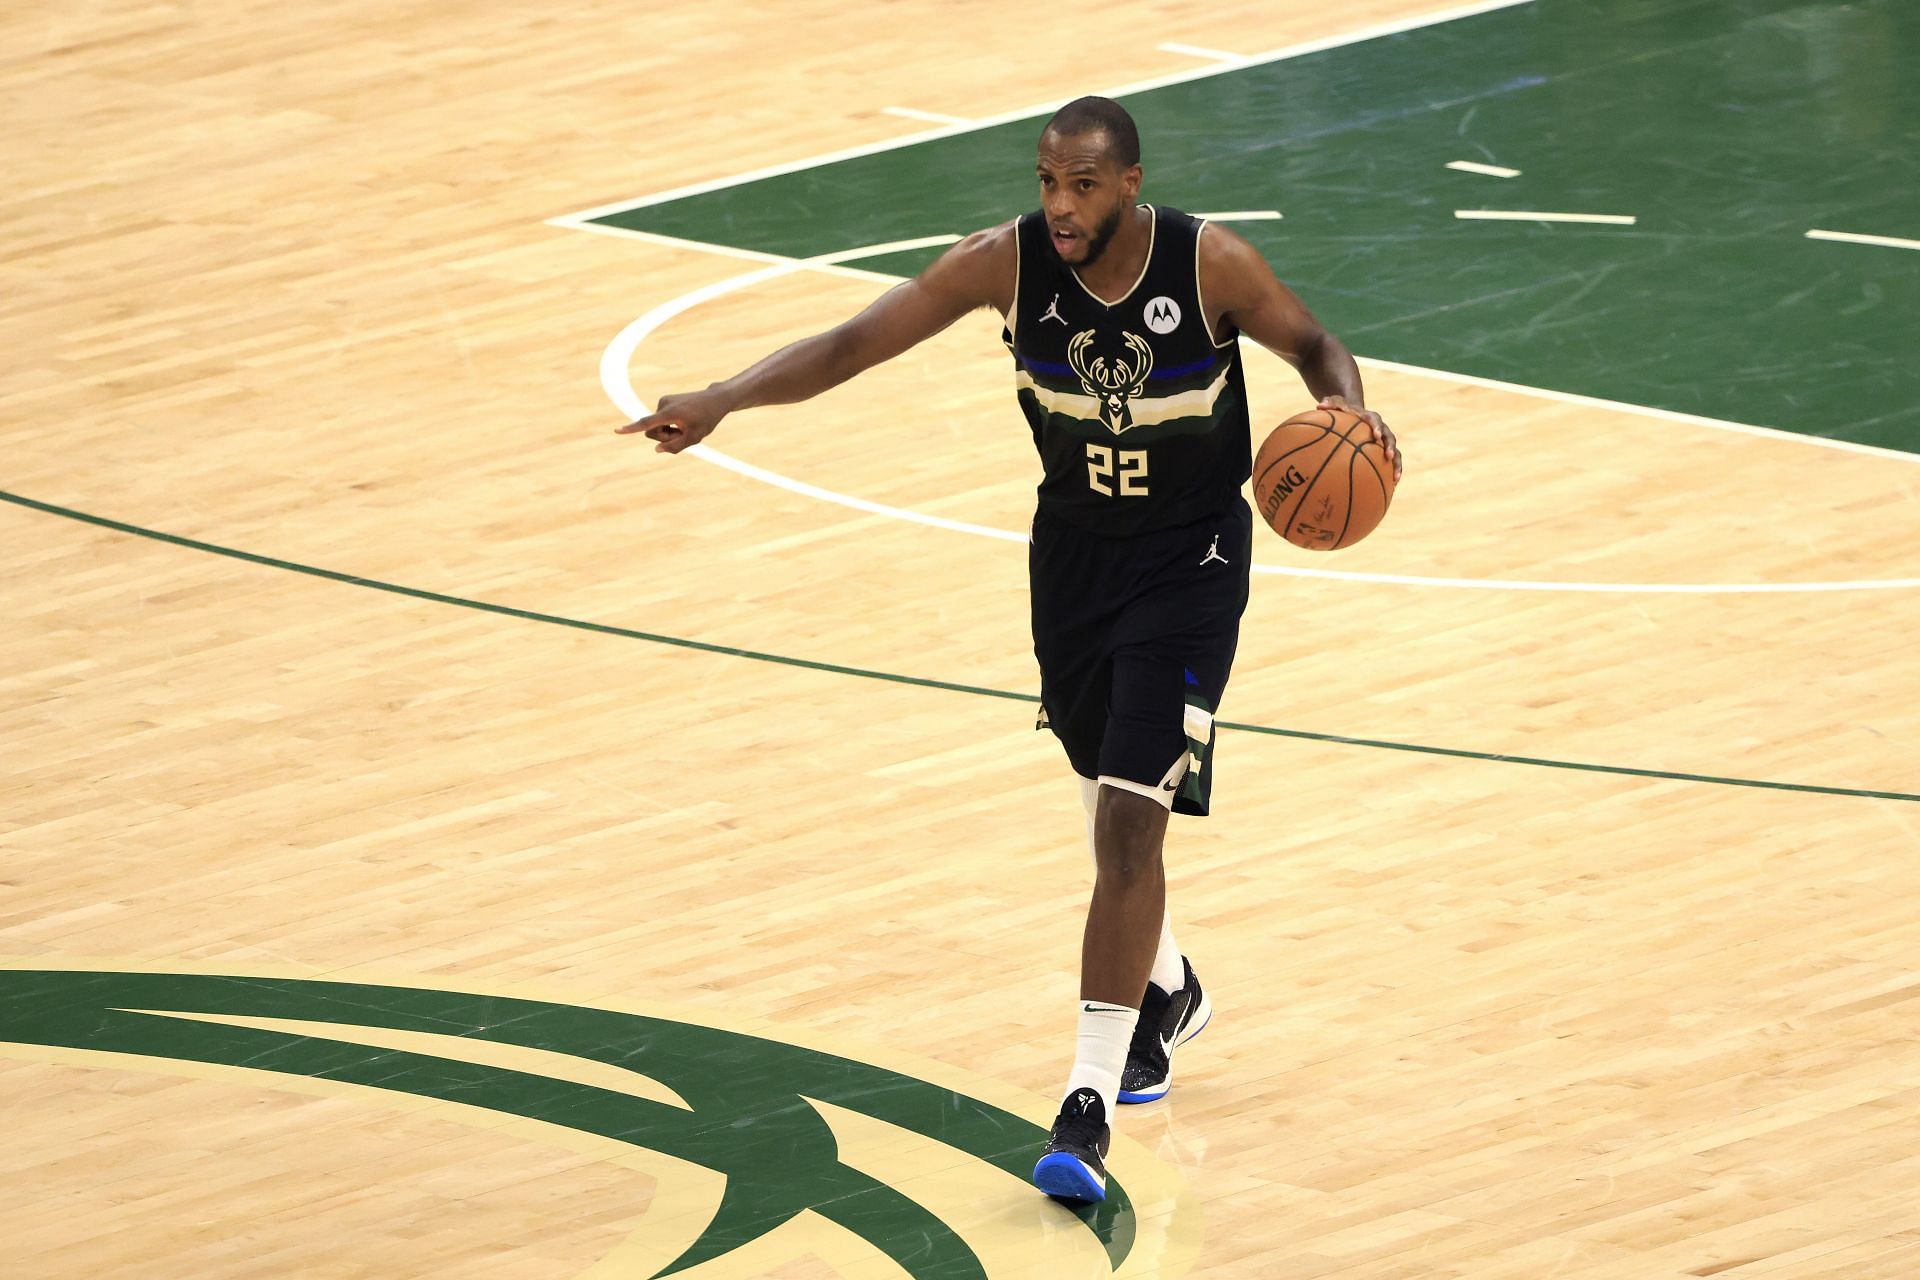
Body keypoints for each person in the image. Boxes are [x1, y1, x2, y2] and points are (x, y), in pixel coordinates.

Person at [621, 95, 1400, 1203]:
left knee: (1133, 813)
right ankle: (1164, 984)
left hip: (1189, 566)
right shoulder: (1004, 265)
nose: (1060, 204)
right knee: (1098, 792)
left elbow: (1317, 341)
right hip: (1073, 559)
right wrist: (726, 396)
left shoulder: (1207, 262)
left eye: (1082, 185)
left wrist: (1349, 413)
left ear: (1130, 182)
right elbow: (852, 344)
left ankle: (1085, 1102)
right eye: (1047, 182)